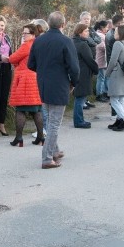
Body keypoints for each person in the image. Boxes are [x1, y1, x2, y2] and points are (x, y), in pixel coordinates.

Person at [27, 12, 78, 169]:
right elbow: (74, 68)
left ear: (48, 24)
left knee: (50, 119)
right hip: (59, 84)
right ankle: (47, 157)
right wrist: (73, 83)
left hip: (43, 84)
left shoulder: (39, 40)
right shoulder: (66, 41)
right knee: (54, 123)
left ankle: (54, 151)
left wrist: (43, 71)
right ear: (63, 24)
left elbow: (31, 64)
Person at [8, 23, 43, 147]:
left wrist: (15, 63)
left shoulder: (26, 46)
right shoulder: (39, 44)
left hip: (25, 81)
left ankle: (19, 138)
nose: (23, 35)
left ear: (33, 34)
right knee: (37, 110)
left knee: (20, 110)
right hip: (36, 79)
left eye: (25, 33)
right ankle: (41, 137)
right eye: (23, 33)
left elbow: (12, 59)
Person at [105, 24, 124, 131]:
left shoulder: (117, 44)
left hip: (117, 74)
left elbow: (112, 61)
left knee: (113, 99)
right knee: (121, 98)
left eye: (116, 32)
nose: (114, 34)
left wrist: (107, 73)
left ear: (120, 33)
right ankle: (119, 120)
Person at [71, 23, 99, 129]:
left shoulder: (72, 41)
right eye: (86, 31)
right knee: (80, 97)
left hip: (75, 72)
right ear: (80, 32)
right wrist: (96, 69)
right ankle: (78, 121)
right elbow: (89, 60)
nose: (88, 33)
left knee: (79, 97)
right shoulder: (83, 44)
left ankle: (79, 119)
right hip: (83, 73)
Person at [94, 20, 110, 102]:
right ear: (102, 27)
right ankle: (99, 94)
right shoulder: (101, 36)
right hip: (101, 60)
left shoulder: (99, 34)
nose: (107, 29)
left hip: (100, 60)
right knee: (101, 78)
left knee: (103, 78)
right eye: (107, 27)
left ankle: (103, 93)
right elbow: (102, 47)